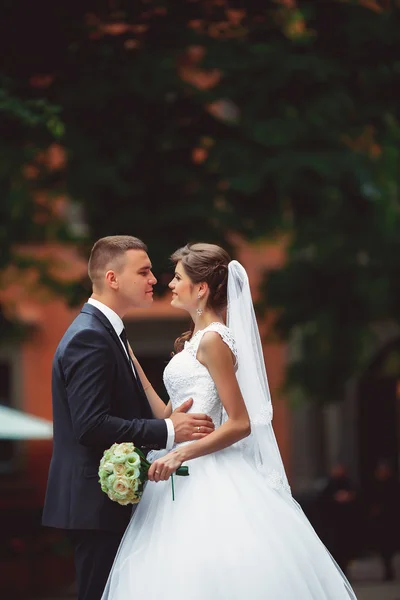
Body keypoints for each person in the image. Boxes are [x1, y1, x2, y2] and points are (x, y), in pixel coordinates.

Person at [102, 242, 358, 600]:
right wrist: (133, 365)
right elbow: (166, 416)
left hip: (211, 475)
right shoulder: (191, 342)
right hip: (178, 478)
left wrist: (180, 455)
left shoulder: (214, 341)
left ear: (201, 288)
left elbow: (240, 423)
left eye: (177, 278)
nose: (170, 284)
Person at [42, 235, 215, 600]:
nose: (155, 279)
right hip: (95, 502)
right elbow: (90, 425)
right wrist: (168, 430)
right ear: (112, 279)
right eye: (145, 271)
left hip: (107, 501)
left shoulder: (108, 333)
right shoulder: (89, 337)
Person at [367, 460, 400, 581]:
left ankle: (389, 569)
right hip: (380, 522)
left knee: (390, 546)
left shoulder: (393, 485)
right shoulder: (375, 485)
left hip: (391, 520)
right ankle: (388, 569)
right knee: (384, 548)